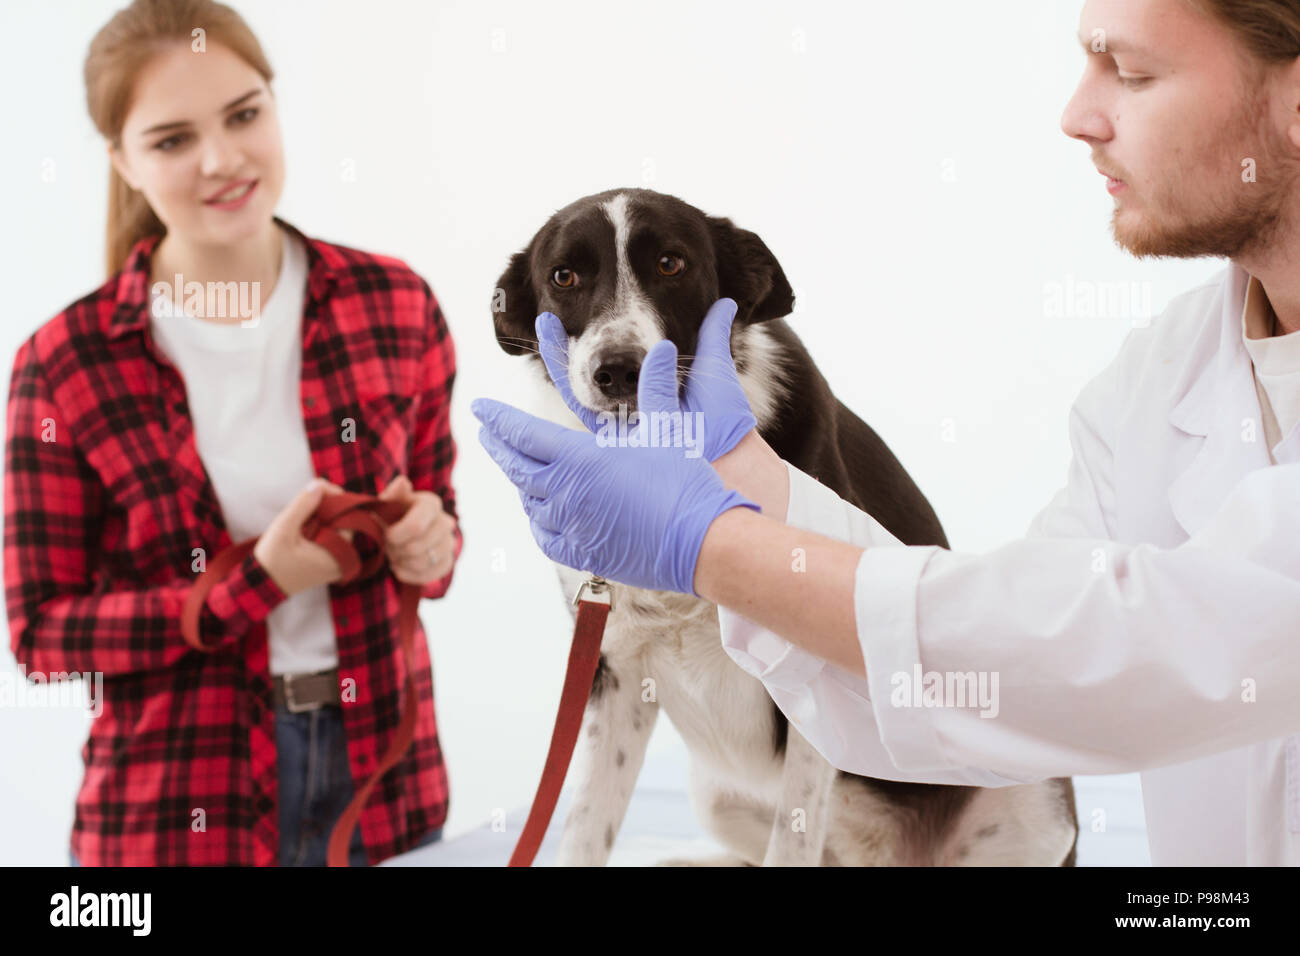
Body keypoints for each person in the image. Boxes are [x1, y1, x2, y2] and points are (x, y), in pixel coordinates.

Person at [472, 0, 1300, 866]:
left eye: (1131, 73)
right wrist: (747, 474)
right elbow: (1001, 663)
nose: (1076, 115)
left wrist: (710, 548)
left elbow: (1145, 642)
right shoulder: (1151, 384)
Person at [3, 0, 461, 866]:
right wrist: (250, 586)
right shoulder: (64, 363)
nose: (223, 160)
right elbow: (42, 637)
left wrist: (429, 544)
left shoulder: (395, 303)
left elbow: (439, 527)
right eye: (172, 140)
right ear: (121, 162)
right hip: (175, 812)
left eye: (245, 114)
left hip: (387, 790)